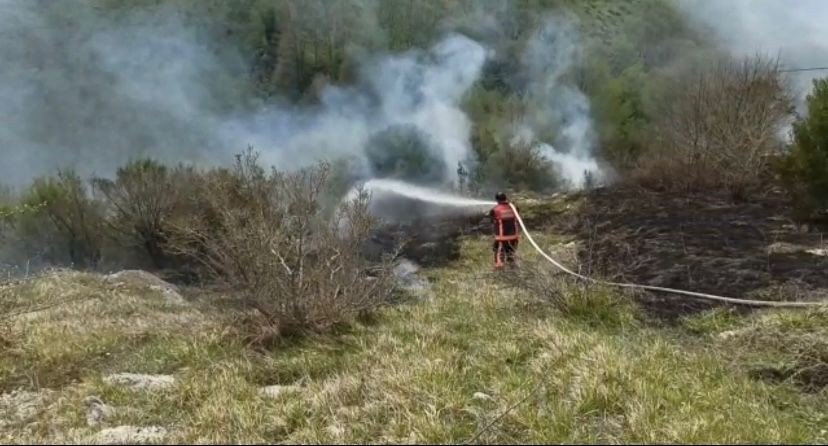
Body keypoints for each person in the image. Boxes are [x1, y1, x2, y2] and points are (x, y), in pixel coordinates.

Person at [489, 192, 520, 269]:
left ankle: (500, 273)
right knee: (511, 253)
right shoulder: (514, 207)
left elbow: (492, 220)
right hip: (514, 237)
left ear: (497, 200)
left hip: (502, 238)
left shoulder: (494, 210)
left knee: (499, 253)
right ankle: (512, 271)